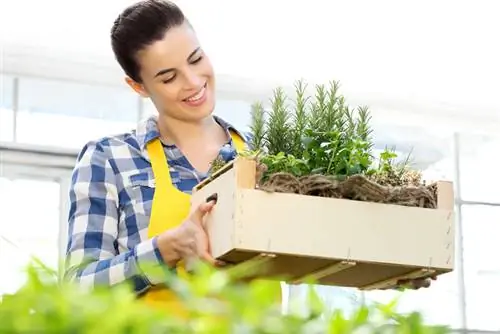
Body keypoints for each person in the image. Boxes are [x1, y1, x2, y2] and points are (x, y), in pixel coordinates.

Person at [65, 0, 433, 315]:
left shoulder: (271, 165)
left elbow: (310, 258)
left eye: (196, 58)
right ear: (139, 86)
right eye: (168, 76)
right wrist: (167, 248)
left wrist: (385, 271)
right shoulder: (109, 160)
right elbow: (76, 288)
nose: (193, 82)